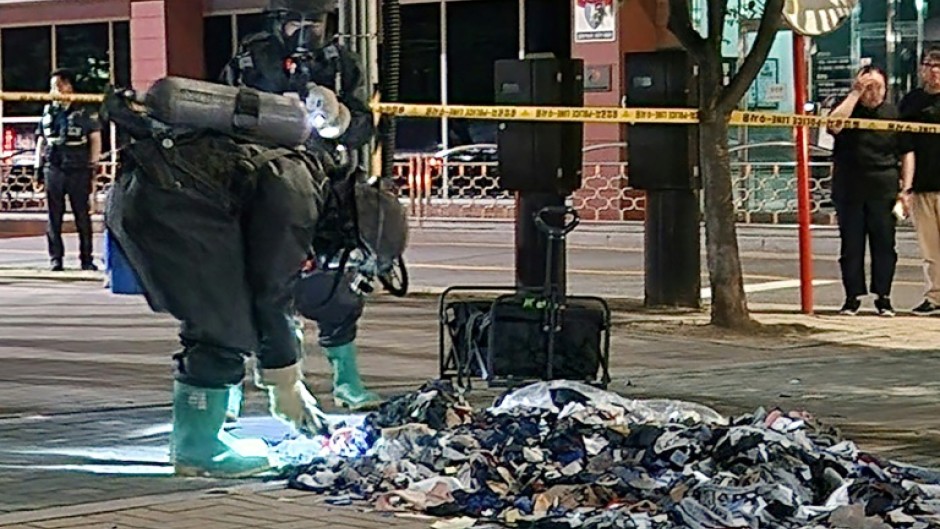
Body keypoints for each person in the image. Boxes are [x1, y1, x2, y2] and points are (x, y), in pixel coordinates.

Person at [103, 80, 332, 478]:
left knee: (230, 313)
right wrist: (285, 381)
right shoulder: (299, 190)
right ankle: (199, 447)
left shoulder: (295, 166)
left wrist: (283, 370)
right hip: (170, 205)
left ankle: (214, 424)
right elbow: (273, 289)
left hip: (157, 193)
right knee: (223, 324)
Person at [219, 0, 383, 411]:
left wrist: (342, 118)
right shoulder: (251, 58)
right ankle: (232, 389)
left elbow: (364, 126)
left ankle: (346, 380)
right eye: (296, 22)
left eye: (315, 22)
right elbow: (221, 110)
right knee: (248, 286)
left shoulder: (341, 62)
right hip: (261, 180)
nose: (306, 31)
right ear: (278, 22)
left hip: (327, 179)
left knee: (339, 281)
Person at [826, 65, 903, 317]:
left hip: (884, 188)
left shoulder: (893, 113)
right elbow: (834, 125)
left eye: (878, 87)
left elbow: (906, 151)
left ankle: (884, 297)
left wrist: (907, 188)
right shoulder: (847, 108)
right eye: (868, 87)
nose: (873, 93)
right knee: (851, 246)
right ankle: (852, 297)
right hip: (849, 188)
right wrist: (854, 95)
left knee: (884, 246)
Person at [34, 68, 101, 272]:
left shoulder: (84, 110)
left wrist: (93, 167)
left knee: (82, 215)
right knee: (54, 216)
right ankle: (56, 259)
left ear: (68, 86)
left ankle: (87, 259)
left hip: (78, 166)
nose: (54, 90)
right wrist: (37, 169)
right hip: (54, 166)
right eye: (52, 87)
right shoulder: (48, 111)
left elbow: (95, 138)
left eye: (57, 86)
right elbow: (41, 141)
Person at [899, 47, 940, 316]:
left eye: (939, 65)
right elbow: (905, 146)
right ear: (921, 69)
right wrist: (906, 187)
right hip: (923, 185)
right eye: (930, 65)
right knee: (930, 248)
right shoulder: (912, 101)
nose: (935, 71)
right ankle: (935, 297)